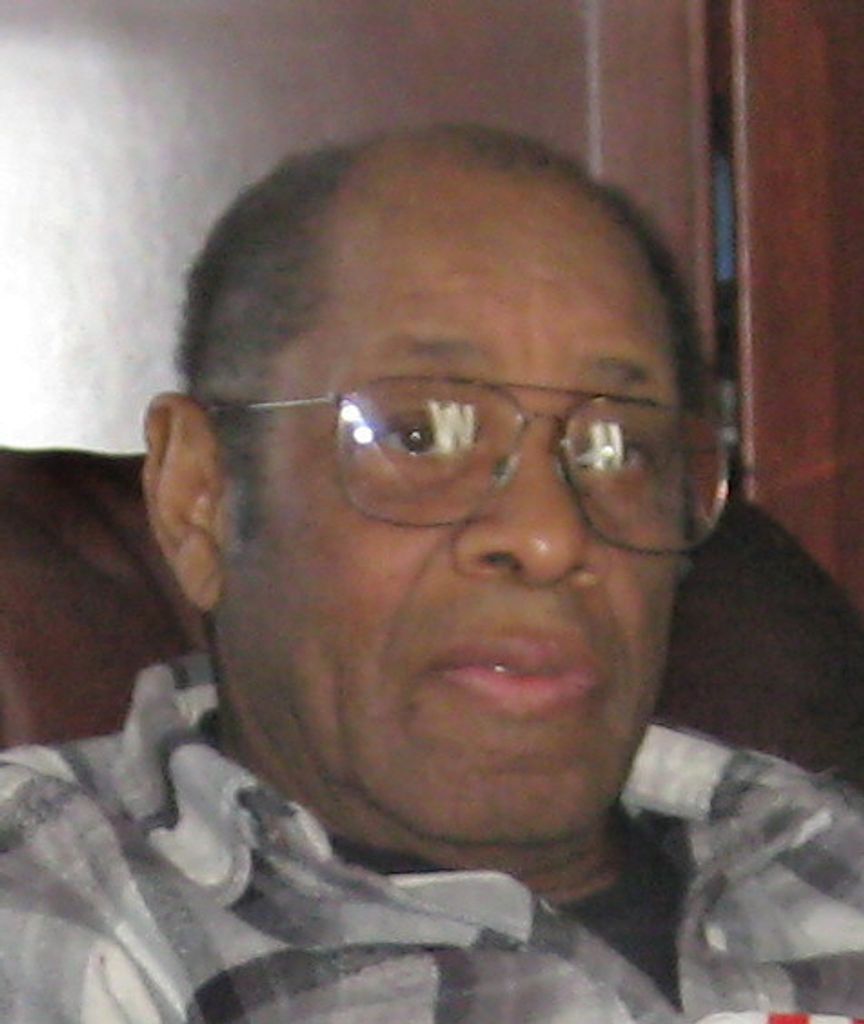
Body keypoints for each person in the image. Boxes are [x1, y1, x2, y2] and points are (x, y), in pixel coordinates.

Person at [1, 124, 863, 1023]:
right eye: (422, 436)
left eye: (616, 447)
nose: (548, 536)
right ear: (200, 496)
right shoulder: (59, 908)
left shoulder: (818, 854)